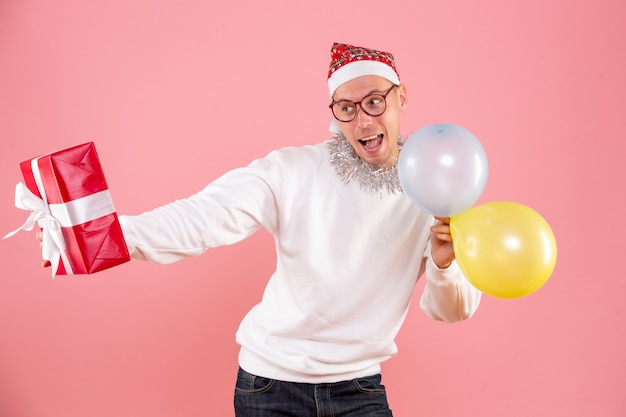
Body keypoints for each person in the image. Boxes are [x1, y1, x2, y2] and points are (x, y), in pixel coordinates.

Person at [39, 42, 482, 416]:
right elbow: (203, 217)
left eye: (374, 101)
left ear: (401, 96)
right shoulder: (291, 171)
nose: (363, 121)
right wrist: (99, 234)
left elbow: (452, 311)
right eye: (346, 108)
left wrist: (445, 265)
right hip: (269, 387)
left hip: (359, 390)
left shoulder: (436, 187)